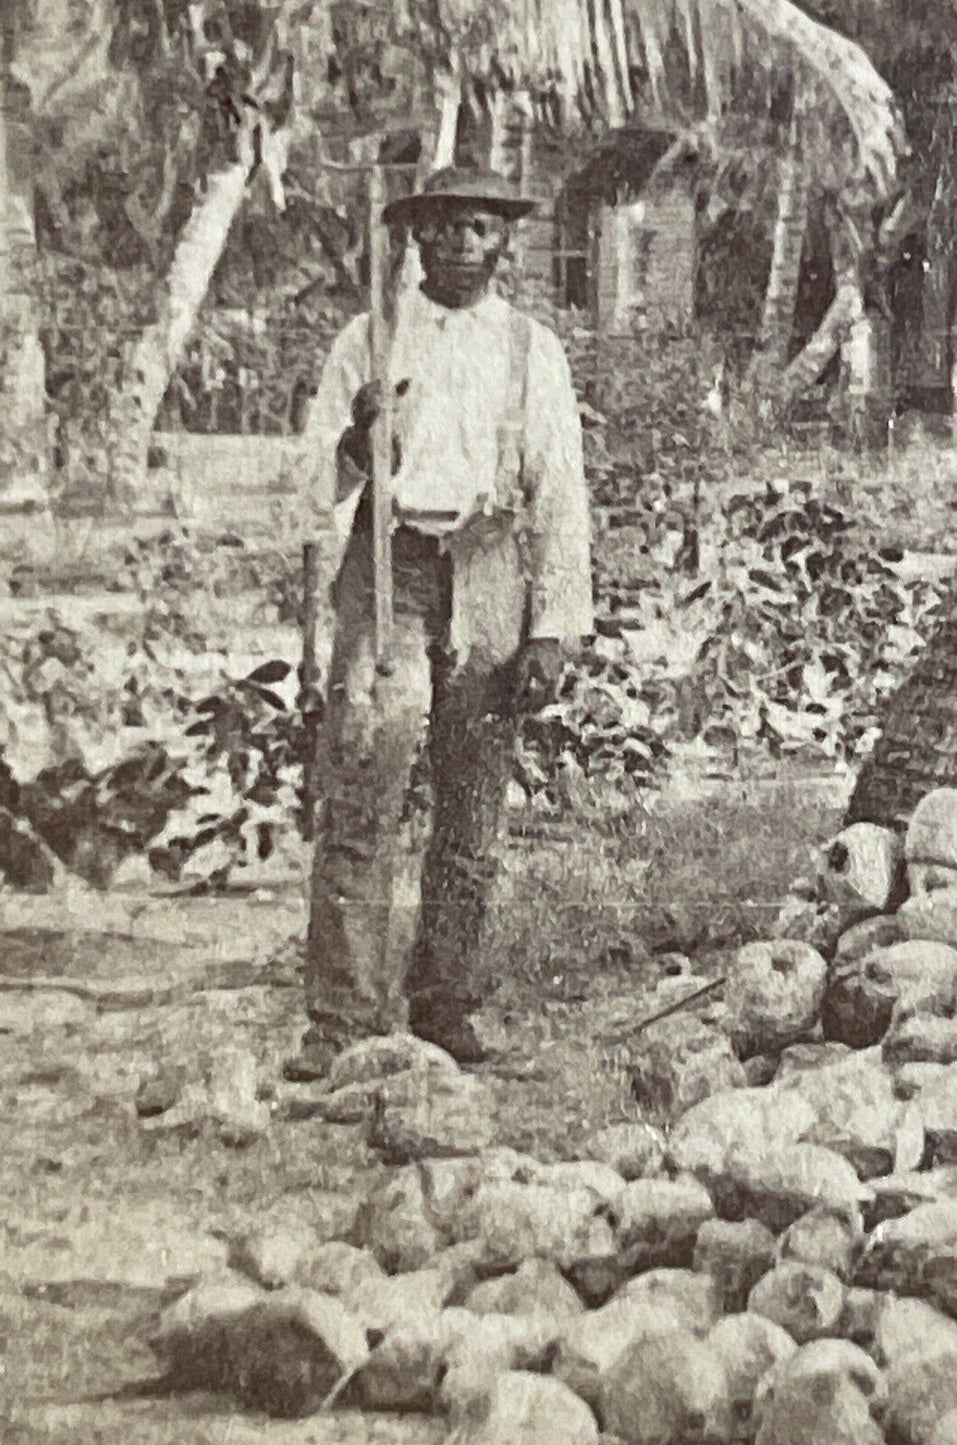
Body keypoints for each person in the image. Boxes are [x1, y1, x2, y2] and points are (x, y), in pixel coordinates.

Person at [285, 166, 593, 1078]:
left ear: (505, 242)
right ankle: (340, 1016)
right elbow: (314, 487)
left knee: (471, 801)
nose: (461, 246)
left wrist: (554, 627)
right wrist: (354, 440)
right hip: (389, 568)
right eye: (443, 230)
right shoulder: (368, 342)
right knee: (365, 779)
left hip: (490, 568)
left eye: (479, 230)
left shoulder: (531, 352)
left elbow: (560, 495)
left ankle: (445, 1001)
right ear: (413, 239)